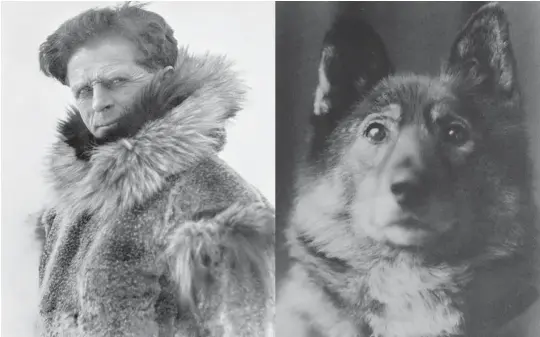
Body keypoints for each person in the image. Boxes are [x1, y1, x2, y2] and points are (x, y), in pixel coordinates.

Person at [35, 3, 275, 336]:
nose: (98, 102)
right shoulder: (68, 210)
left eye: (117, 81)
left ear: (162, 79)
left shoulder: (217, 202)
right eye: (84, 90)